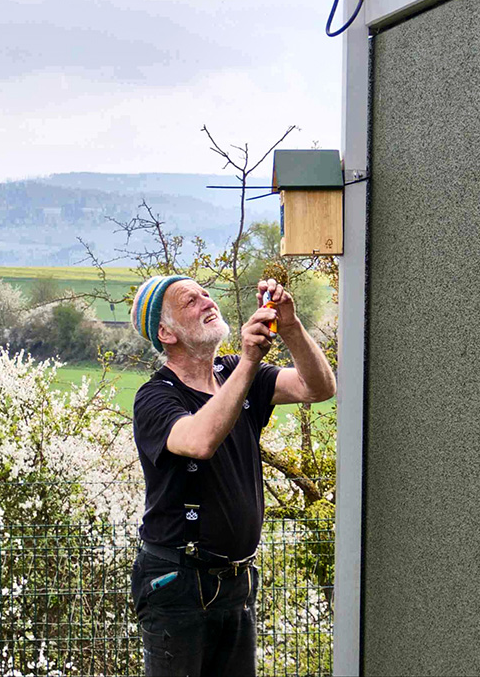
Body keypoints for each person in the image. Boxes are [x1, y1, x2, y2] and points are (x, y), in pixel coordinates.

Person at [128, 274, 336, 676]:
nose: (207, 301)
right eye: (191, 301)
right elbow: (200, 439)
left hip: (237, 583)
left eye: (206, 293)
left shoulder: (236, 372)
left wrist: (290, 327)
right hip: (177, 581)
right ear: (165, 332)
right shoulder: (155, 397)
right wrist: (251, 362)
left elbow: (319, 387)